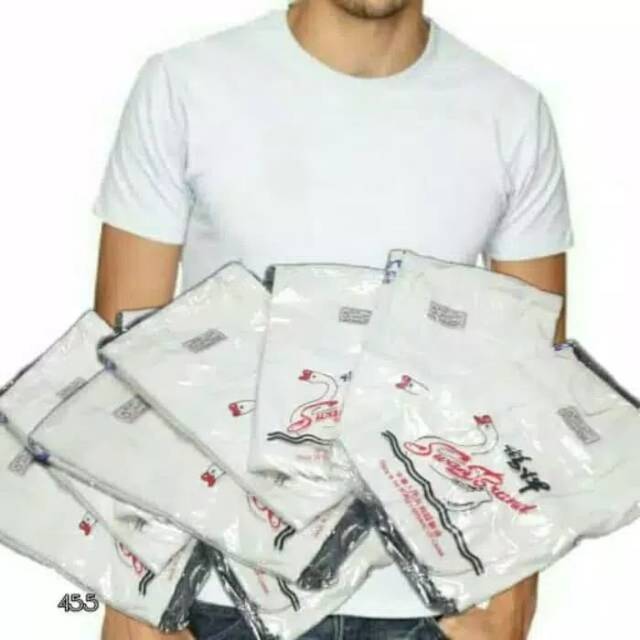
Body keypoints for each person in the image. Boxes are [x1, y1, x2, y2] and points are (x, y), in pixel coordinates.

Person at [93, 0, 572, 638]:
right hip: (218, 591)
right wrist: (131, 593)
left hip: (435, 604)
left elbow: (533, 374)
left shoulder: (509, 112)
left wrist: (516, 587)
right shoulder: (186, 86)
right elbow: (124, 354)